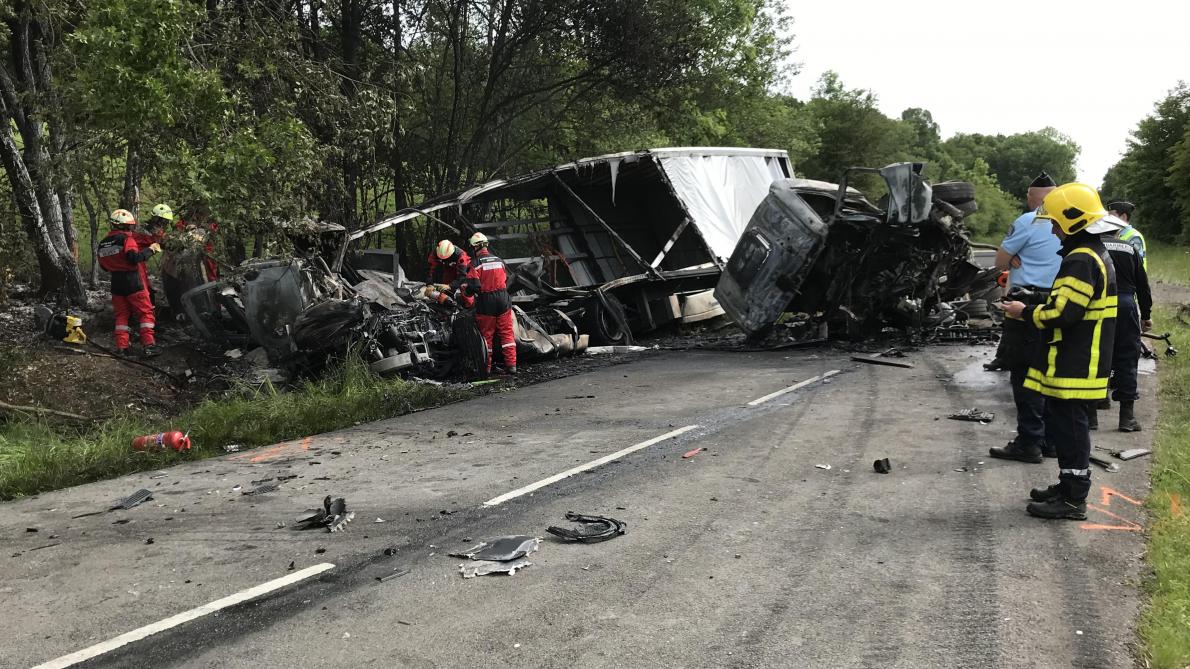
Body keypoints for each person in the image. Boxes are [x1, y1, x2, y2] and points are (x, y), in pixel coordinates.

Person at [998, 183, 1119, 520]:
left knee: (1071, 431)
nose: (1052, 229)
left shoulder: (1081, 259)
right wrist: (1035, 300)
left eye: (1055, 223)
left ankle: (1072, 500)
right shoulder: (1092, 253)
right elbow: (1068, 302)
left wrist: (1023, 312)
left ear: (1071, 221)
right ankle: (1067, 488)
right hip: (1081, 358)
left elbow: (1063, 315)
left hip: (1075, 362)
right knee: (1067, 428)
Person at [987, 173, 1061, 463]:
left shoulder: (1027, 221)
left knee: (1025, 375)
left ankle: (1029, 441)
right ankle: (1051, 441)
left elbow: (1000, 262)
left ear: (1033, 198)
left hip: (1025, 305)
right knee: (1051, 375)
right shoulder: (1072, 224)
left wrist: (1016, 255)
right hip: (1059, 305)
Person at [1098, 215, 1153, 431]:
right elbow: (1143, 284)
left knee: (1098, 355)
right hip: (1126, 305)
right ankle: (1126, 418)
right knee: (1127, 359)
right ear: (1118, 231)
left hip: (1100, 306)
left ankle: (1094, 409)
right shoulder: (1130, 248)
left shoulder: (1092, 247)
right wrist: (1146, 315)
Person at [97, 209, 161, 356]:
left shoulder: (103, 243)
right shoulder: (127, 239)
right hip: (132, 281)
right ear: (125, 226)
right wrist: (151, 250)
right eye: (130, 226)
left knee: (121, 315)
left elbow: (104, 267)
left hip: (116, 282)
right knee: (145, 313)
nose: (131, 229)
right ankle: (149, 346)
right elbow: (134, 258)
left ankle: (122, 347)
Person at [460, 232, 516, 375]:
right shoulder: (499, 260)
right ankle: (511, 366)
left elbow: (475, 287)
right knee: (507, 334)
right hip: (504, 299)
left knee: (486, 336)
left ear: (475, 247)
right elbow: (506, 279)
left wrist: (466, 293)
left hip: (487, 302)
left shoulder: (475, 264)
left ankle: (487, 368)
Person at [1106, 201, 1146, 268]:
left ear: (1123, 217)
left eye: (1111, 216)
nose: (1108, 219)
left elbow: (1135, 264)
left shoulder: (1134, 237)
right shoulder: (1111, 234)